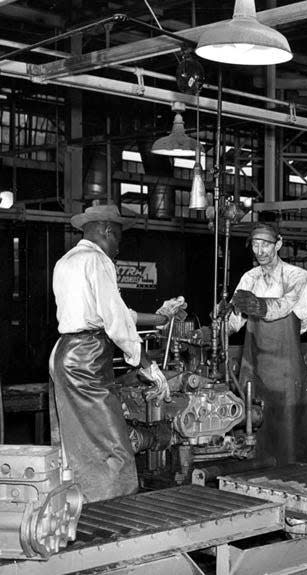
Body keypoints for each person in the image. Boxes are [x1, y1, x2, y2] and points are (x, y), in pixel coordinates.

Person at [49, 203, 171, 503]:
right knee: (114, 447)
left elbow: (107, 310)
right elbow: (114, 320)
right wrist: (146, 365)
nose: (118, 247)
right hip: (87, 358)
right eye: (117, 238)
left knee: (78, 444)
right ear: (107, 231)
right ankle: (117, 516)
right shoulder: (99, 261)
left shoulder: (66, 261)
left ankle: (81, 504)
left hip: (65, 354)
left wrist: (160, 318)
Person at [224, 223, 307, 465]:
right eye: (255, 245)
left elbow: (285, 305)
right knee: (253, 423)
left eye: (266, 245)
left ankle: (290, 474)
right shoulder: (249, 278)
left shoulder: (296, 276)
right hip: (254, 365)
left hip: (286, 366)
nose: (260, 250)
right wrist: (215, 326)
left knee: (288, 427)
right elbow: (236, 321)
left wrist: (260, 306)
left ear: (279, 244)